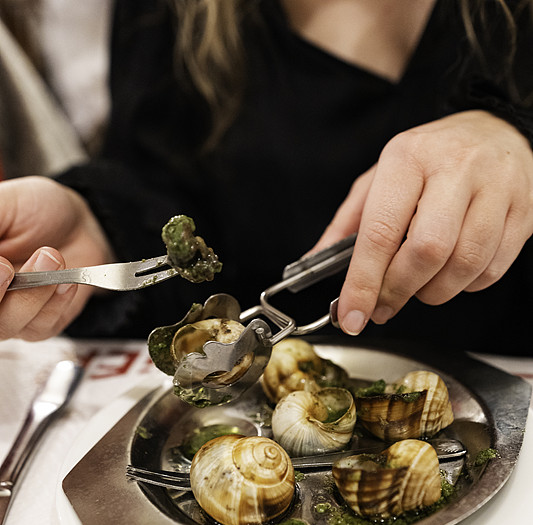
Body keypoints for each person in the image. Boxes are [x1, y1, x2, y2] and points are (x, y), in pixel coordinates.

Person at [0, 0, 532, 354]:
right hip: (272, 421)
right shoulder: (173, 13)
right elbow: (165, 182)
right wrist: (97, 222)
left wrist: (517, 133)